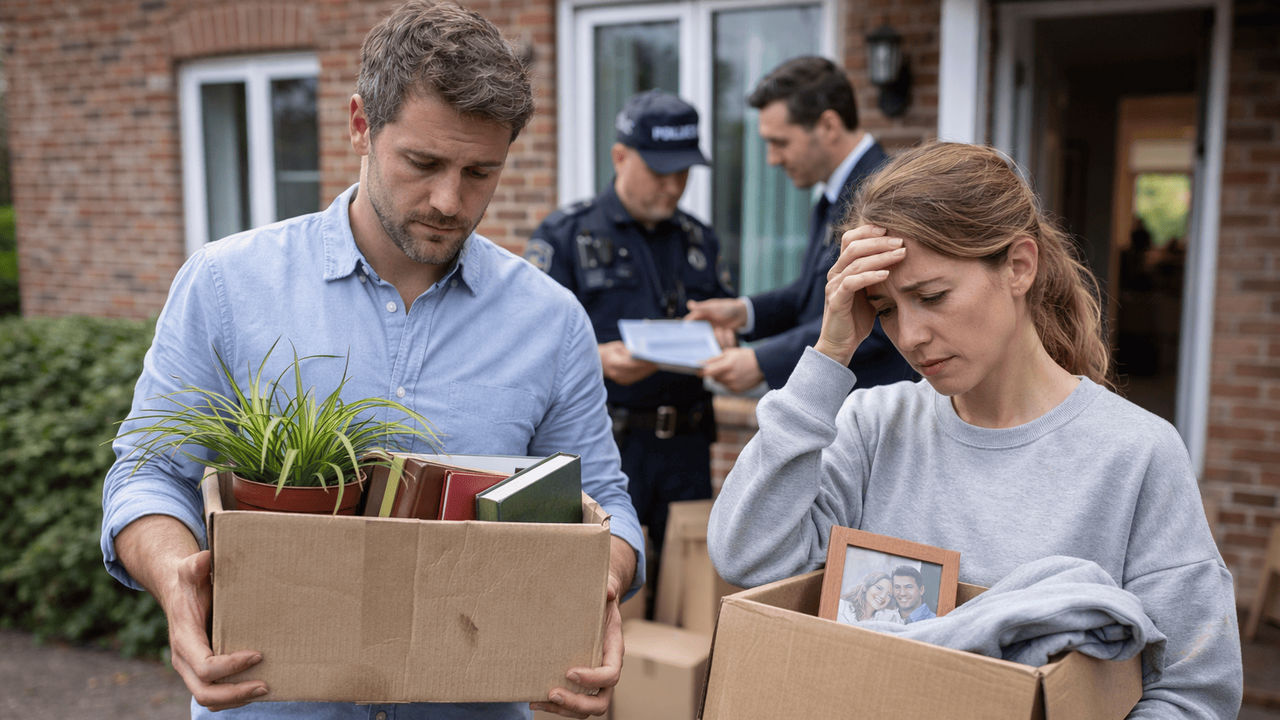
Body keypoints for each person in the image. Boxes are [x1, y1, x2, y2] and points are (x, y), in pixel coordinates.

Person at [99, 2, 642, 718]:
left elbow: (607, 503)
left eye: (481, 172)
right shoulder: (228, 284)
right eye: (423, 163)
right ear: (360, 124)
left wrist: (597, 589)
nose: (450, 200)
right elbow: (147, 473)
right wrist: (176, 578)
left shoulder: (551, 319)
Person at [707, 142, 1242, 717]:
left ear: (1018, 266)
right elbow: (747, 557)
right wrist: (830, 352)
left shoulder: (1136, 452)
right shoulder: (871, 425)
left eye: (931, 296)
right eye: (884, 309)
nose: (909, 336)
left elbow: (1194, 689)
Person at [525, 90, 733, 558]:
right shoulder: (566, 234)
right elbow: (529, 345)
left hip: (688, 444)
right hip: (608, 447)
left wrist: (724, 337)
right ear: (620, 156)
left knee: (690, 594)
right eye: (661, 171)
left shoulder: (699, 238)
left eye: (683, 172)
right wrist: (597, 359)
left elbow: (725, 321)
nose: (674, 186)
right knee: (606, 578)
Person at [686, 56, 911, 394]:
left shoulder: (884, 194)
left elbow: (882, 321)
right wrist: (743, 313)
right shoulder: (835, 195)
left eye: (780, 142)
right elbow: (810, 294)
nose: (772, 159)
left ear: (828, 126)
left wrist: (762, 362)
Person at [836, 571, 904, 625]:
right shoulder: (841, 607)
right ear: (865, 587)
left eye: (889, 595)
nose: (883, 596)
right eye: (879, 588)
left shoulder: (888, 618)